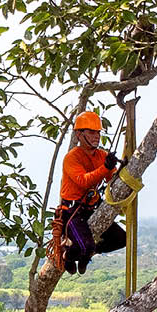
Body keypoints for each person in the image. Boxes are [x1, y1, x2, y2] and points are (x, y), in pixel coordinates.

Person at [55, 111, 127, 274]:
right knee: (85, 246)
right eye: (91, 132)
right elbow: (83, 180)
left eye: (98, 132)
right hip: (72, 212)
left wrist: (120, 169)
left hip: (91, 208)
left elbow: (111, 179)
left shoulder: (101, 155)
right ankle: (69, 255)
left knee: (122, 239)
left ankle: (87, 254)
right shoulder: (72, 158)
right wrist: (105, 167)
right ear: (79, 135)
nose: (96, 136)